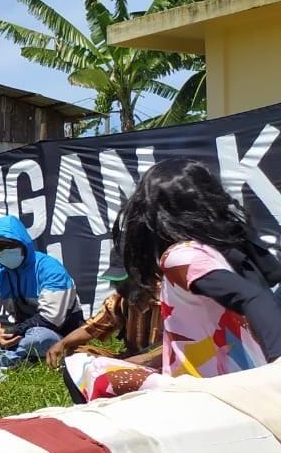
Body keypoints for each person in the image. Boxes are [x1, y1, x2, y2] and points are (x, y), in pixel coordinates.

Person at [62, 160, 281, 401]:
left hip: (205, 393)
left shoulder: (180, 256)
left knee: (81, 368)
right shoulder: (223, 251)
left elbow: (251, 297)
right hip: (237, 377)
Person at [0, 215, 83, 366]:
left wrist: (11, 332)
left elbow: (51, 319)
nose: (3, 251)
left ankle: (5, 358)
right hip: (19, 333)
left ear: (24, 244)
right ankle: (15, 359)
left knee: (37, 338)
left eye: (9, 245)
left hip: (56, 332)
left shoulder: (50, 269)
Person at [48, 241, 165, 402]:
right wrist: (62, 344)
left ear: (143, 276)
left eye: (125, 281)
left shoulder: (171, 301)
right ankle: (89, 407)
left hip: (165, 368)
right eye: (117, 281)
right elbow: (92, 328)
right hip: (130, 361)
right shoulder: (121, 302)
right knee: (77, 358)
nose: (119, 286)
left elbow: (177, 346)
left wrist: (136, 362)